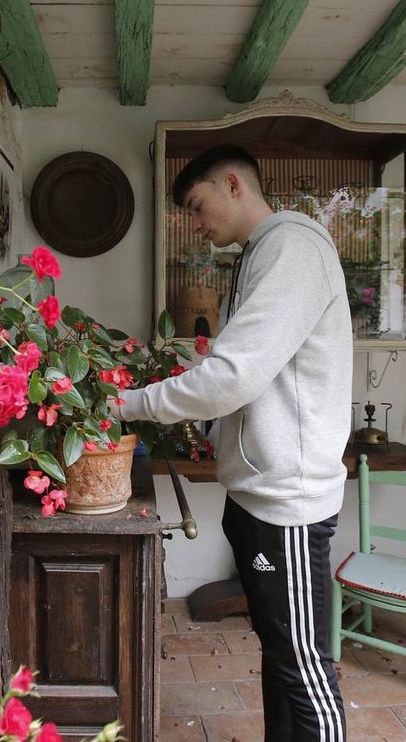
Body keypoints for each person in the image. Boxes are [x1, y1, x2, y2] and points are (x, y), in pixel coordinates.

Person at [113, 144, 351, 741]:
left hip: (286, 504)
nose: (196, 224)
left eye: (198, 206)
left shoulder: (292, 248)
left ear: (233, 185)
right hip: (257, 495)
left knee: (305, 669)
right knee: (280, 654)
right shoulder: (257, 258)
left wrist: (127, 405)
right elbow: (249, 380)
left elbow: (231, 378)